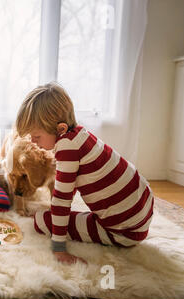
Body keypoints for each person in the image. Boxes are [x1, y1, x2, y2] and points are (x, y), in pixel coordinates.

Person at [15, 82, 154, 265]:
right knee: (58, 214)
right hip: (143, 209)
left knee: (41, 220)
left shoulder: (66, 149)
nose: (33, 141)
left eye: (37, 136)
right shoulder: (81, 135)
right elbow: (68, 186)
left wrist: (59, 249)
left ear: (61, 129)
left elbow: (62, 199)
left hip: (125, 231)